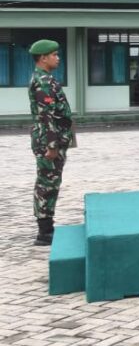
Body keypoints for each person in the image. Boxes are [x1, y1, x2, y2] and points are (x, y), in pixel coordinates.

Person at [27, 39, 73, 246]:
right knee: (47, 184)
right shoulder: (43, 81)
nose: (58, 58)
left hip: (53, 140)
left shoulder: (46, 78)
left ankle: (46, 228)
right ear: (43, 58)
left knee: (50, 182)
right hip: (49, 142)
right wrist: (52, 146)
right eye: (54, 55)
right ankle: (44, 232)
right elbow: (46, 115)